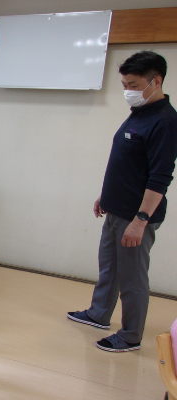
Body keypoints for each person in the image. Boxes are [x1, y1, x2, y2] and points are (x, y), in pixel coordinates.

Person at [68, 51, 177, 352]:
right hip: (116, 208)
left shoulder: (166, 122)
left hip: (136, 216)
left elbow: (160, 177)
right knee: (109, 268)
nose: (128, 91)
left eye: (134, 85)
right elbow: (127, 162)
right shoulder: (140, 112)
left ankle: (130, 336)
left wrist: (141, 220)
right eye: (124, 85)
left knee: (132, 278)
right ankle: (99, 314)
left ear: (156, 82)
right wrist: (106, 196)